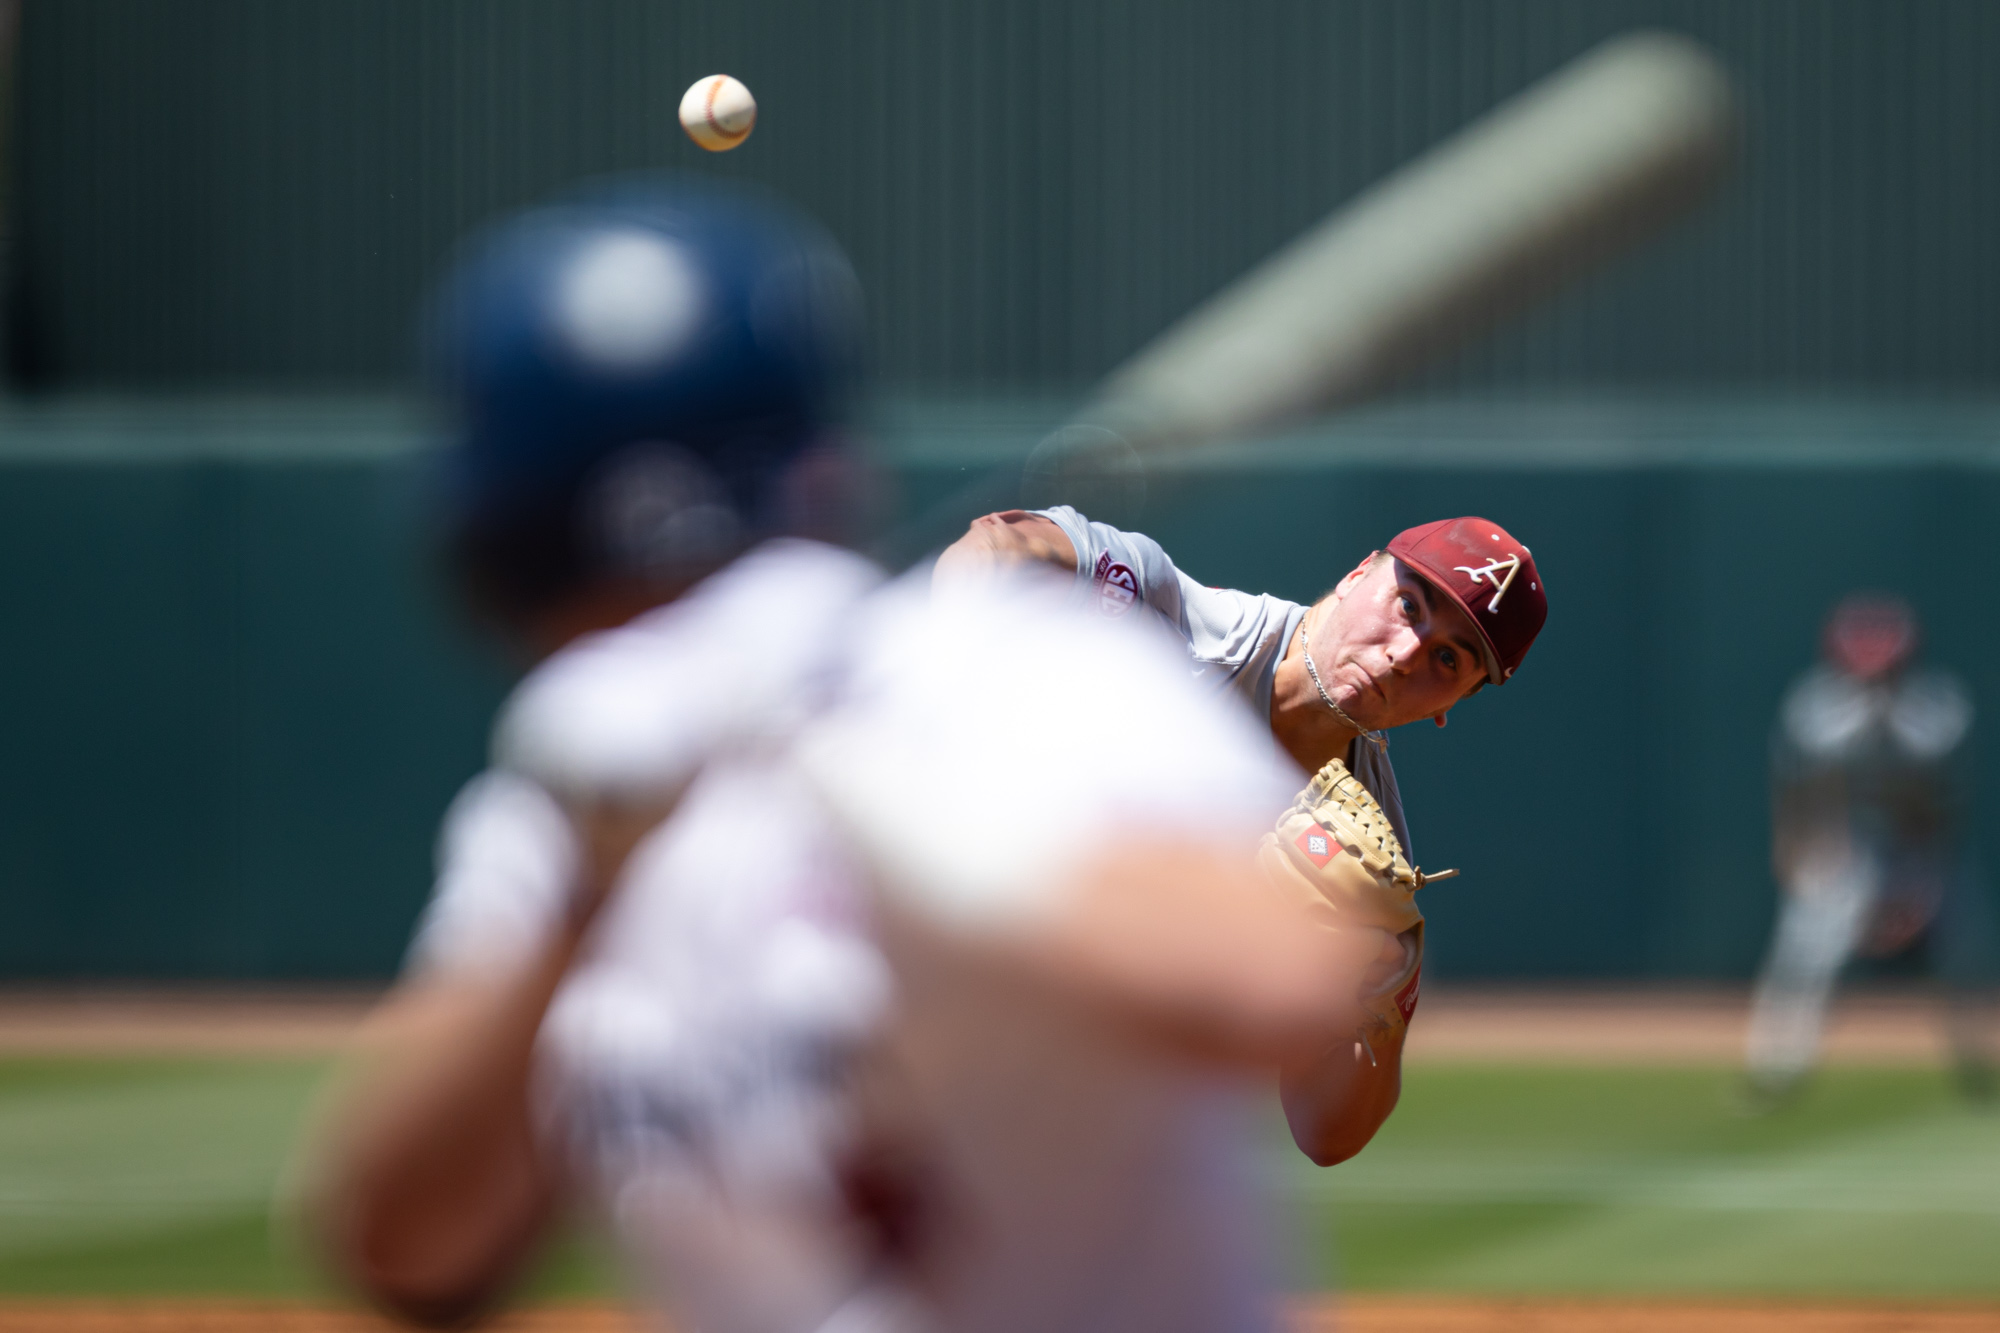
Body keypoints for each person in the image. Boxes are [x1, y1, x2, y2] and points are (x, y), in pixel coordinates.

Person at [300, 175, 1378, 1333]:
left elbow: (1278, 979)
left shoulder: (1020, 676)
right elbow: (405, 1251)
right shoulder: (574, 798)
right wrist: (580, 890)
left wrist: (859, 779)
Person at [935, 507, 1549, 1163]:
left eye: (1448, 658)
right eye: (1409, 604)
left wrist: (1382, 996)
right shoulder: (1172, 619)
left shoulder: (1368, 863)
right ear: (1359, 573)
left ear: (1449, 707)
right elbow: (1000, 547)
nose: (1405, 654)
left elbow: (1327, 1133)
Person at [1744, 593, 1999, 1104]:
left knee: (1964, 959)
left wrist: (1918, 890)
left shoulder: (1938, 711)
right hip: (1847, 846)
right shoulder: (1815, 708)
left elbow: (1940, 809)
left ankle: (1980, 1069)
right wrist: (1793, 849)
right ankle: (1776, 1071)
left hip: (1919, 850)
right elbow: (1797, 793)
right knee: (1803, 954)